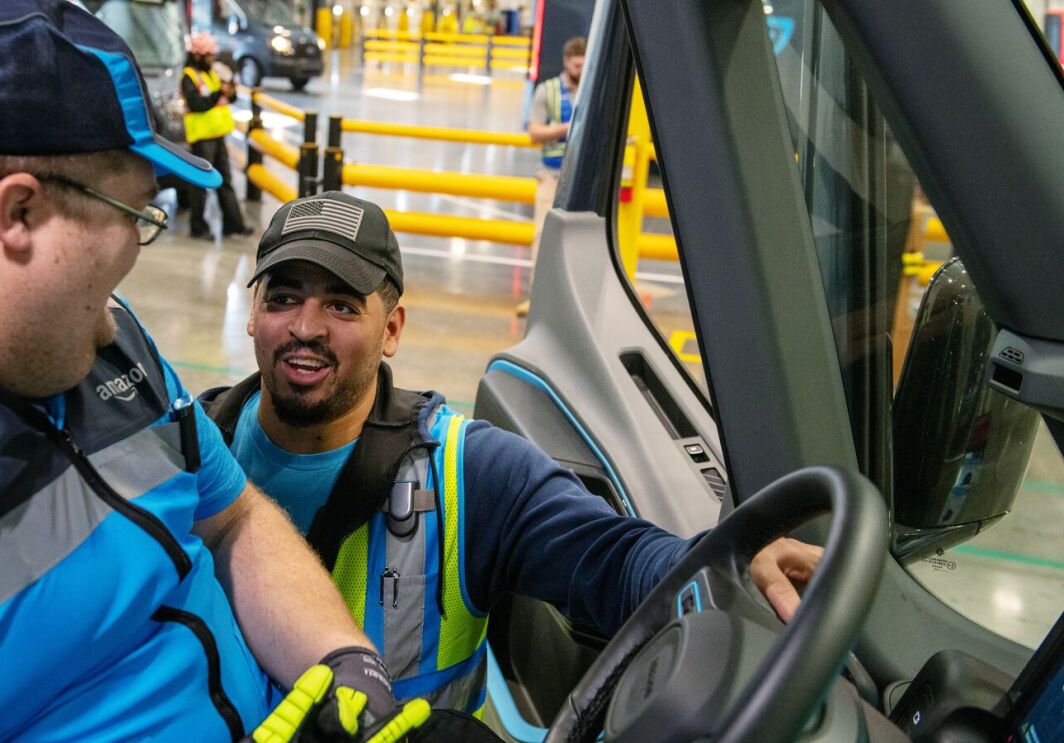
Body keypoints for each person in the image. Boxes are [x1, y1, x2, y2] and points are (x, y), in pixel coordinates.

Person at [0, 4, 422, 740]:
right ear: (21, 213)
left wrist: (346, 661)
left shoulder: (90, 330)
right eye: (135, 215)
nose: (120, 298)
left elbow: (234, 519)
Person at [200, 191, 823, 715]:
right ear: (253, 314)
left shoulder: (468, 473)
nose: (306, 326)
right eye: (283, 297)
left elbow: (615, 560)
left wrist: (723, 566)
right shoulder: (183, 452)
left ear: (391, 330)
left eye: (340, 304)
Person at [519, 36, 587, 316]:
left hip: (582, 177)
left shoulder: (593, 90)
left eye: (584, 65)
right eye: (576, 65)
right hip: (551, 176)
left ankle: (576, 299)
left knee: (581, 238)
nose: (580, 71)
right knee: (543, 236)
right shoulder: (547, 91)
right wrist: (567, 128)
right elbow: (535, 132)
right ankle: (539, 299)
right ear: (566, 62)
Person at [181, 31, 252, 239]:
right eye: (209, 55)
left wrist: (230, 93)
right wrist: (219, 93)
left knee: (225, 181)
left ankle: (234, 225)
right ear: (197, 55)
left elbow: (224, 97)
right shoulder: (189, 76)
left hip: (218, 135)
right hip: (202, 138)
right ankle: (198, 227)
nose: (213, 59)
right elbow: (197, 104)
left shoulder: (212, 73)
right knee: (200, 184)